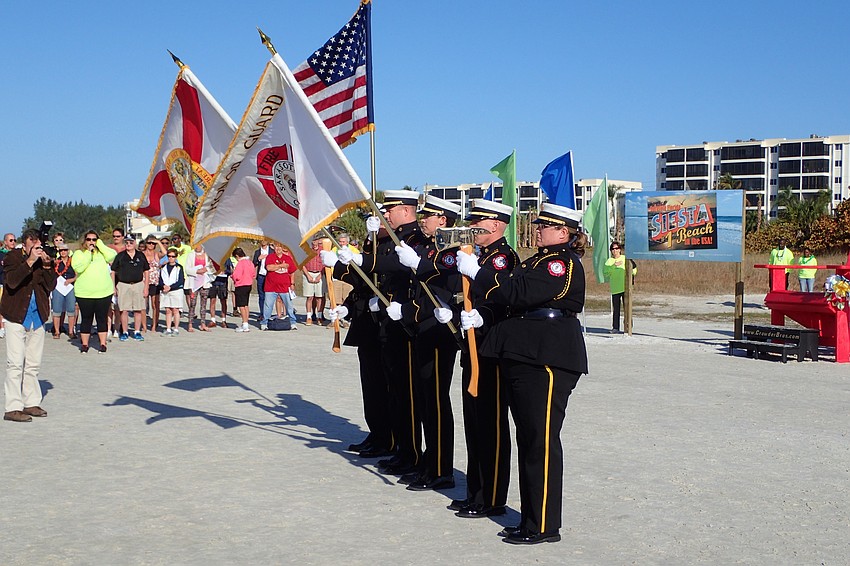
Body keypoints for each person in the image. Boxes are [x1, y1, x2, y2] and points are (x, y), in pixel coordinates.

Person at [456, 202, 588, 545]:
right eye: (539, 224)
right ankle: (532, 519)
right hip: (525, 354)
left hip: (546, 358)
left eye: (546, 225)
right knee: (528, 439)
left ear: (564, 232)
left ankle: (543, 524)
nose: (539, 229)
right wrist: (483, 315)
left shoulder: (561, 263)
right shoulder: (538, 260)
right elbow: (509, 295)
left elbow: (519, 291)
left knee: (539, 442)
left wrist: (479, 273)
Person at [336, 190, 430, 476]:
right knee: (376, 384)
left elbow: (398, 272)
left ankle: (404, 448)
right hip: (375, 321)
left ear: (405, 210)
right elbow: (364, 280)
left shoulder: (413, 240)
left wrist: (368, 256)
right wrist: (349, 304)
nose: (384, 215)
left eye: (389, 210)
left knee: (401, 391)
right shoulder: (382, 238)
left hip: (401, 323)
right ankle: (383, 436)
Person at [445, 199, 518, 519]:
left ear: (498, 224)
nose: (474, 226)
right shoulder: (476, 254)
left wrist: (481, 318)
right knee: (474, 425)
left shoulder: (504, 257)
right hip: (471, 347)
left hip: (491, 349)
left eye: (480, 220)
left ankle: (492, 497)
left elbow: (502, 298)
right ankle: (475, 490)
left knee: (491, 426)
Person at [390, 195, 464, 492]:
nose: (423, 219)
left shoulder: (450, 250)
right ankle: (428, 463)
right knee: (424, 401)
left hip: (439, 332)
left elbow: (440, 288)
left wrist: (409, 311)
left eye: (429, 216)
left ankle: (441, 470)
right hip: (423, 329)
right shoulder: (426, 245)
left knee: (435, 402)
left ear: (444, 220)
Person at [1, 228, 57, 422]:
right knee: (15, 364)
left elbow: (50, 286)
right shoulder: (12, 258)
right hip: (16, 316)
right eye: (32, 244)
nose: (37, 248)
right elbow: (12, 281)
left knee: (33, 364)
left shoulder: (44, 259)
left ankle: (31, 402)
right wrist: (31, 261)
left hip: (37, 316)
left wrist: (49, 266)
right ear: (24, 244)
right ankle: (13, 407)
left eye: (38, 244)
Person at [72, 231, 117, 353]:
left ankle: (102, 344)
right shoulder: (78, 253)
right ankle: (85, 344)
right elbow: (78, 267)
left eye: (94, 239)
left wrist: (101, 245)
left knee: (101, 318)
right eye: (89, 239)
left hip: (103, 292)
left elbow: (113, 256)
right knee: (86, 319)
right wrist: (88, 253)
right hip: (84, 293)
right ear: (84, 241)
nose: (91, 242)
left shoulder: (102, 253)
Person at [111, 235, 149, 341]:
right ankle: (125, 331)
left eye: (131, 242)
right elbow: (113, 271)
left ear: (135, 243)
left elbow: (146, 271)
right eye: (126, 242)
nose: (128, 244)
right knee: (124, 310)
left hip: (138, 284)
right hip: (123, 285)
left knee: (138, 309)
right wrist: (113, 286)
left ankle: (137, 331)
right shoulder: (120, 256)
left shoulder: (140, 255)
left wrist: (146, 287)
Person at [261, 242, 298, 331]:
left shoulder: (288, 258)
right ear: (274, 248)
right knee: (268, 305)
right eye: (276, 247)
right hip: (271, 287)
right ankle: (264, 323)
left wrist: (292, 283)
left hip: (284, 287)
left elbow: (292, 271)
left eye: (280, 247)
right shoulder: (270, 257)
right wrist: (281, 266)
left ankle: (293, 322)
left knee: (289, 305)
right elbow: (269, 268)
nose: (278, 249)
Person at [602, 241, 636, 334]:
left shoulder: (625, 258)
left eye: (616, 248)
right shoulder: (609, 261)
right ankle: (615, 328)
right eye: (613, 249)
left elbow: (634, 269)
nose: (615, 251)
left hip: (625, 288)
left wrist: (632, 273)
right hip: (615, 289)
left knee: (627, 309)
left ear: (620, 249)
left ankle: (628, 327)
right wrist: (613, 266)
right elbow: (606, 273)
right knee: (616, 310)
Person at [185, 244, 215, 332]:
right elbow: (187, 269)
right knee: (192, 304)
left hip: (204, 282)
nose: (196, 247)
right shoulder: (191, 255)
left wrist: (205, 270)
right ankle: (190, 324)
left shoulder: (207, 255)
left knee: (204, 304)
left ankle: (203, 324)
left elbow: (212, 267)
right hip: (193, 283)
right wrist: (197, 271)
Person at [51, 244, 77, 339]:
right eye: (61, 250)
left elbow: (78, 273)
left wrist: (72, 280)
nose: (63, 252)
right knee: (57, 310)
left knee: (71, 309)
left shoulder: (73, 261)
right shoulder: (56, 262)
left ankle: (71, 331)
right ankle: (57, 331)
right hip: (58, 287)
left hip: (70, 287)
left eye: (65, 250)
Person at [159, 248, 185, 335]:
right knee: (168, 310)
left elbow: (181, 281)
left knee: (175, 310)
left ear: (176, 257)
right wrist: (163, 286)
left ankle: (176, 329)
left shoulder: (179, 267)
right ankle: (168, 328)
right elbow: (160, 279)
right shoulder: (163, 267)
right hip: (165, 290)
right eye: (169, 256)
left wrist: (171, 287)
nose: (171, 258)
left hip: (176, 291)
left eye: (173, 256)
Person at [302, 239, 327, 326]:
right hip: (308, 273)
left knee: (319, 297)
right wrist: (308, 276)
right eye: (313, 241)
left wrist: (320, 276)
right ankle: (309, 317)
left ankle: (319, 316)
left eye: (316, 241)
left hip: (319, 273)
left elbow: (325, 264)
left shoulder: (323, 250)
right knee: (309, 297)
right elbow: (302, 264)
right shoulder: (306, 249)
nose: (314, 243)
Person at [232, 247, 256, 332]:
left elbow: (236, 276)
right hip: (248, 284)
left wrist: (232, 275)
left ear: (237, 256)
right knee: (246, 305)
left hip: (241, 285)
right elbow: (254, 274)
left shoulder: (240, 263)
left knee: (241, 305)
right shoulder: (250, 262)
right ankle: (245, 322)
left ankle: (245, 324)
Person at [143, 236, 164, 332]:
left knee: (155, 305)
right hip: (144, 281)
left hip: (155, 282)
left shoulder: (157, 254)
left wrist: (158, 242)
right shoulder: (142, 254)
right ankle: (144, 326)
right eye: (149, 243)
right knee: (143, 305)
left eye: (153, 243)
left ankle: (154, 325)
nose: (151, 245)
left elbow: (165, 252)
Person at [0, 232, 19, 339]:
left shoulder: (18, 253)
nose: (13, 242)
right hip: (3, 283)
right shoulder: (1, 254)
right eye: (11, 240)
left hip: (16, 283)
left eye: (14, 240)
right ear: (5, 242)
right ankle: (2, 327)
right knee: (3, 305)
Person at [252, 240, 271, 321]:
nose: (263, 241)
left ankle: (268, 314)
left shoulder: (272, 251)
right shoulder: (257, 252)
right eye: (262, 240)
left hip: (269, 276)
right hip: (261, 276)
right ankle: (262, 313)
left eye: (265, 240)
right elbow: (254, 263)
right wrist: (258, 259)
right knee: (261, 296)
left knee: (269, 296)